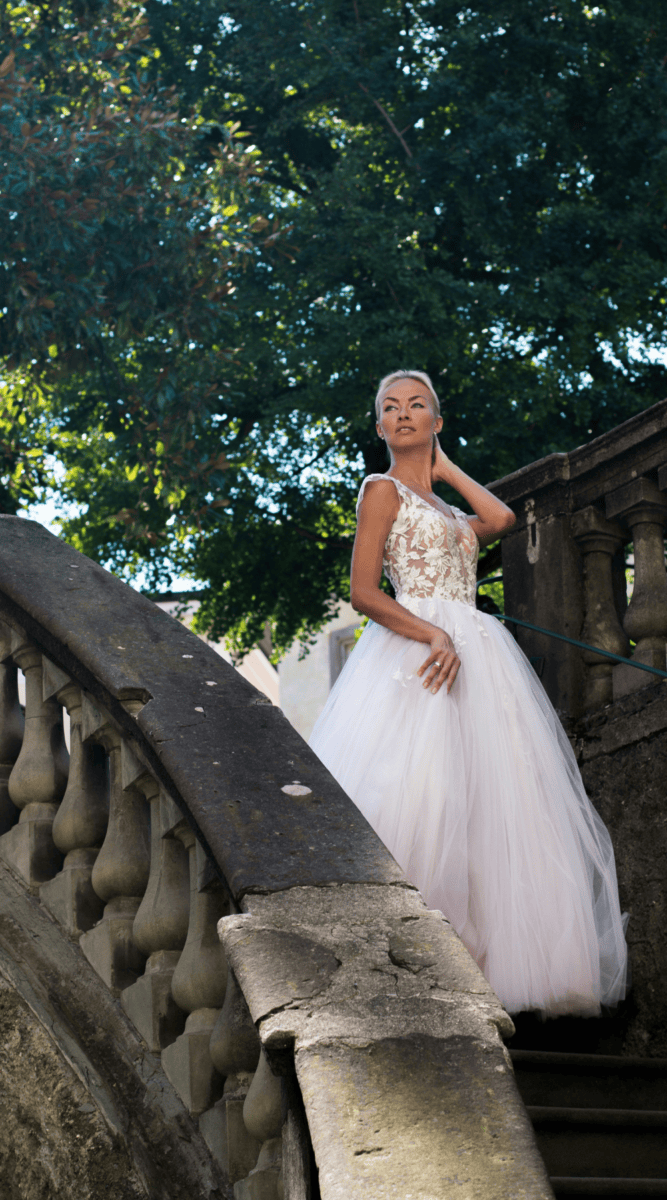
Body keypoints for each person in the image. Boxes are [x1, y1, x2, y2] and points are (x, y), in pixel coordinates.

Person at [309, 369, 628, 1018]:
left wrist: (446, 468)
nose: (401, 415)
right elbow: (364, 593)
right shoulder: (380, 491)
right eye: (389, 408)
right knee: (423, 796)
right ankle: (414, 968)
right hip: (416, 653)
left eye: (416, 405)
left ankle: (488, 974)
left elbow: (501, 518)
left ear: (435, 421)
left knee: (495, 806)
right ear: (378, 427)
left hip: (478, 658)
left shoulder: (451, 512)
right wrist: (430, 633)